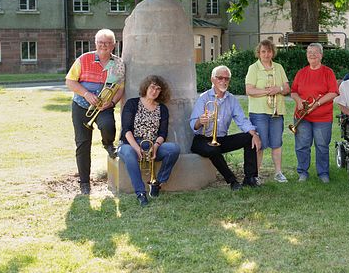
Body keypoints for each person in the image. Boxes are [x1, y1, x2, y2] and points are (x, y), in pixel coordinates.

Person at [65, 28, 125, 195]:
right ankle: (84, 182)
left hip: (104, 107)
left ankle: (108, 144)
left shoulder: (119, 64)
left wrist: (111, 102)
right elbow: (70, 81)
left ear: (113, 45)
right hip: (81, 106)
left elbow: (120, 88)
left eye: (107, 43)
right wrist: (86, 93)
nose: (103, 46)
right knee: (83, 144)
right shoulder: (84, 59)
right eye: (100, 43)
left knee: (108, 126)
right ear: (95, 43)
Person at [190, 65, 262, 190]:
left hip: (220, 139)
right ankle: (232, 181)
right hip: (202, 139)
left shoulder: (232, 99)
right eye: (220, 78)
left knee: (249, 137)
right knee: (212, 149)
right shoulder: (204, 98)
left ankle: (250, 178)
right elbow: (193, 126)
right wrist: (200, 121)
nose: (223, 81)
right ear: (213, 79)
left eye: (226, 79)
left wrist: (254, 134)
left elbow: (242, 120)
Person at [117, 75, 180, 206]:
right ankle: (140, 193)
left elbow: (163, 133)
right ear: (146, 87)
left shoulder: (162, 108)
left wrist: (156, 147)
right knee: (129, 154)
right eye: (152, 87)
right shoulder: (132, 103)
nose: (154, 91)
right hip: (130, 144)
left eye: (158, 89)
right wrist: (136, 148)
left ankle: (157, 183)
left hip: (152, 146)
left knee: (174, 149)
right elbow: (126, 130)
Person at [290, 43, 339, 183]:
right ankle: (303, 172)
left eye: (315, 52)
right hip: (302, 116)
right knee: (302, 146)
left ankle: (323, 173)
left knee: (322, 146)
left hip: (322, 117)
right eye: (309, 52)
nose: (312, 54)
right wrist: (298, 100)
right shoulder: (301, 72)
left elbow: (333, 92)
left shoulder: (328, 72)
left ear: (321, 55)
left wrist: (317, 103)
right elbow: (293, 91)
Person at [245, 39, 290, 183]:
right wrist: (268, 91)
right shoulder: (254, 68)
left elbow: (287, 88)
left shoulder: (279, 67)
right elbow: (249, 90)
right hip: (259, 112)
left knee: (277, 143)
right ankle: (256, 174)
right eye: (263, 51)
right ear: (259, 53)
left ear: (273, 53)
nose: (266, 54)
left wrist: (279, 89)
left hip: (277, 112)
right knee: (260, 144)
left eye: (269, 51)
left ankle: (278, 172)